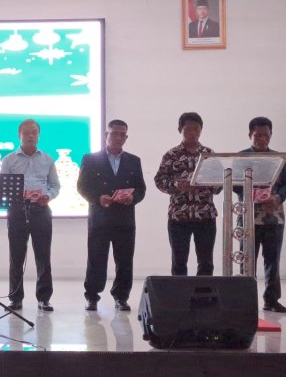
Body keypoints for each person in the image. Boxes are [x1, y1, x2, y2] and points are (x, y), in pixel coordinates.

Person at [77, 120, 146, 312]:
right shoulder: (90, 159)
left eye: (122, 134)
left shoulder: (134, 160)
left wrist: (132, 198)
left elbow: (141, 189)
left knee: (124, 261)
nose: (118, 137)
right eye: (114, 133)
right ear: (105, 135)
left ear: (126, 137)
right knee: (96, 259)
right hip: (100, 217)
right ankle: (92, 297)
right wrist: (98, 198)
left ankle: (121, 297)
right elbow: (82, 186)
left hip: (125, 219)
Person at [1, 119, 60, 312]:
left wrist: (47, 196)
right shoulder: (9, 160)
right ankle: (15, 299)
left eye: (34, 132)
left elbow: (55, 186)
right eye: (26, 132)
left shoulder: (47, 159)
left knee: (43, 256)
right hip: (17, 210)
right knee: (16, 256)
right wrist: (17, 195)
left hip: (41, 210)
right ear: (19, 135)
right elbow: (3, 187)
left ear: (39, 135)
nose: (31, 135)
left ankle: (44, 298)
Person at [154, 112, 221, 276]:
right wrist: (176, 186)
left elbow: (220, 185)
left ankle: (203, 292)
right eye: (188, 129)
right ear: (180, 130)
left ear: (201, 130)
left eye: (196, 129)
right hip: (179, 217)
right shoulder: (171, 155)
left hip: (205, 216)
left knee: (206, 262)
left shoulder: (209, 154)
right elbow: (159, 180)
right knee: (179, 261)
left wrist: (206, 183)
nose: (192, 133)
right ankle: (179, 293)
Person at [236, 117, 286, 312]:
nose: (262, 139)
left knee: (273, 259)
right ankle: (244, 301)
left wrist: (278, 198)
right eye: (258, 135)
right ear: (250, 135)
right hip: (248, 215)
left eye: (266, 135)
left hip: (274, 215)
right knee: (247, 259)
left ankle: (271, 300)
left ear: (271, 135)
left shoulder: (280, 158)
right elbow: (234, 184)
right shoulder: (241, 157)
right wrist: (253, 194)